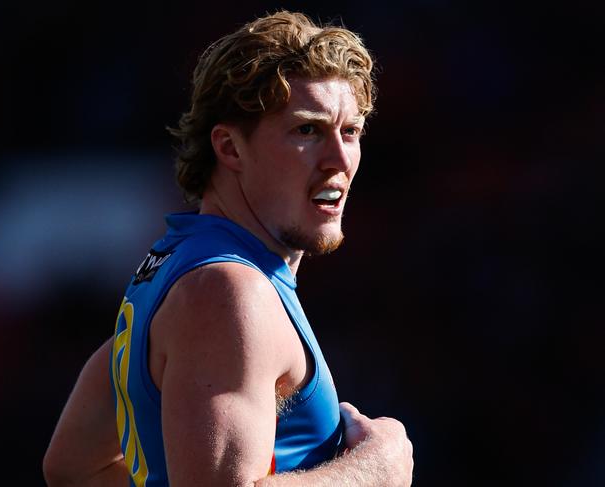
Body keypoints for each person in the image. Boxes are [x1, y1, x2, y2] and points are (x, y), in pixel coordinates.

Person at [43, 10, 413, 487]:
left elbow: (75, 467)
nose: (340, 160)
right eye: (307, 130)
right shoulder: (228, 292)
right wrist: (372, 472)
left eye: (350, 132)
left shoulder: (180, 268)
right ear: (230, 148)